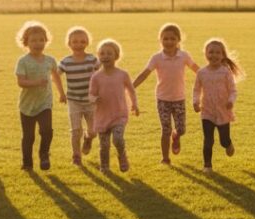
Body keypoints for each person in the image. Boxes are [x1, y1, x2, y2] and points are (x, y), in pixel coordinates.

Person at [133, 23, 199, 165]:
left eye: (172, 39)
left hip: (179, 98)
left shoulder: (184, 56)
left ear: (178, 40)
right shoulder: (156, 58)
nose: (169, 42)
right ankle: (165, 158)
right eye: (165, 39)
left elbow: (197, 70)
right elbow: (144, 74)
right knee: (165, 129)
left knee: (181, 129)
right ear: (160, 40)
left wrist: (211, 78)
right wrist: (131, 87)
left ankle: (176, 137)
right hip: (162, 99)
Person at [15, 21, 63, 171]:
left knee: (47, 130)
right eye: (34, 40)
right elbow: (21, 82)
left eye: (41, 40)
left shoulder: (50, 60)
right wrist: (36, 82)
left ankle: (44, 154)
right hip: (27, 105)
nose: (38, 43)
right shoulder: (23, 61)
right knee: (28, 137)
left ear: (46, 41)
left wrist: (62, 93)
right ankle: (27, 164)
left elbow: (56, 77)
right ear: (26, 42)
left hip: (45, 103)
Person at [89, 39, 139, 173]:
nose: (105, 56)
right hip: (102, 115)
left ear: (116, 56)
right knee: (104, 145)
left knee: (117, 139)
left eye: (109, 53)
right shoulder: (96, 77)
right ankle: (104, 166)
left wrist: (135, 104)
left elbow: (131, 90)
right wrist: (94, 99)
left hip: (119, 114)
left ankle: (122, 155)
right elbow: (90, 95)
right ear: (99, 56)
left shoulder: (122, 74)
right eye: (102, 54)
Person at [193, 39, 242, 173]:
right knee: (208, 139)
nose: (214, 55)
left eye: (217, 53)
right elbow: (197, 89)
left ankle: (228, 144)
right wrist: (196, 102)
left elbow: (233, 90)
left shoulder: (226, 72)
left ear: (222, 55)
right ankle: (207, 165)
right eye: (211, 52)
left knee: (223, 140)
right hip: (207, 111)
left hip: (223, 111)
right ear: (205, 54)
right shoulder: (201, 72)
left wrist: (231, 101)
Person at [58, 26, 100, 166]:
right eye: (75, 42)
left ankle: (88, 138)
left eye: (82, 41)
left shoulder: (92, 60)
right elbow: (55, 75)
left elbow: (103, 73)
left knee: (94, 131)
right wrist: (61, 93)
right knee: (76, 130)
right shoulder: (65, 62)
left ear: (87, 43)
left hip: (91, 101)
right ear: (69, 44)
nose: (78, 44)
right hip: (73, 101)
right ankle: (76, 156)